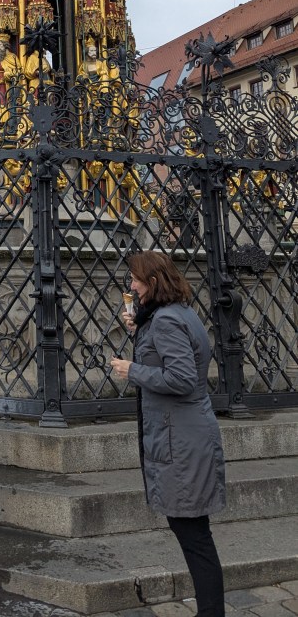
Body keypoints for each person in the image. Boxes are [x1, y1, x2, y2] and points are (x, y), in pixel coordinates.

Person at [110, 252, 226, 617]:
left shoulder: (165, 322)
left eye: (135, 279)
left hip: (182, 441)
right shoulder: (177, 314)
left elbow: (181, 378)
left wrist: (133, 370)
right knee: (193, 533)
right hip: (184, 435)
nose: (131, 285)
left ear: (154, 281)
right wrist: (139, 329)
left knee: (194, 537)